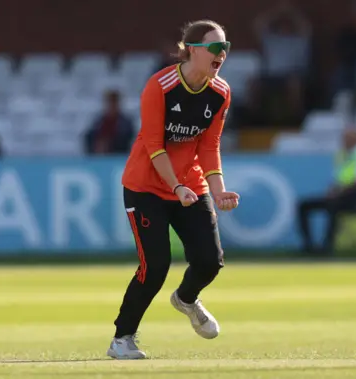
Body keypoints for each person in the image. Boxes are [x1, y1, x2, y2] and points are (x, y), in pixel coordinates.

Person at [107, 19, 240, 360]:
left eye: (225, 48)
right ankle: (122, 338)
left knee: (210, 262)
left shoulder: (221, 92)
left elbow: (209, 146)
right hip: (146, 187)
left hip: (189, 186)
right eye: (214, 48)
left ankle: (186, 298)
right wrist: (176, 185)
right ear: (192, 50)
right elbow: (154, 144)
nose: (221, 55)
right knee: (155, 266)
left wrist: (219, 189)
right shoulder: (161, 86)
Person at [297, 128, 356, 256]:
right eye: (344, 139)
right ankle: (308, 246)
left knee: (333, 206)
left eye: (347, 139)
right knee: (303, 205)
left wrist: (339, 191)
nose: (344, 142)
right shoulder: (345, 155)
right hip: (340, 195)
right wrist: (332, 190)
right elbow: (339, 179)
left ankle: (327, 246)